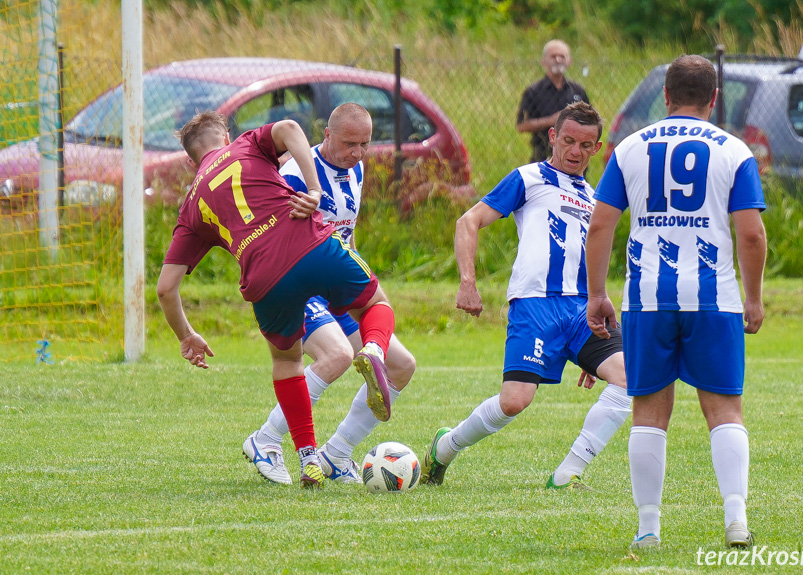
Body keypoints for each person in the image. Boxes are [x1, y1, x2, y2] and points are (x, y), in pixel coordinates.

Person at [157, 111, 397, 489]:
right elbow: (289, 128)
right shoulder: (245, 145)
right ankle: (374, 349)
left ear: (190, 161)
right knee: (374, 304)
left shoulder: (191, 206)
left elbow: (165, 288)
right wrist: (315, 191)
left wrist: (186, 335)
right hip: (310, 246)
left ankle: (309, 458)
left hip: (264, 280)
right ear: (226, 137)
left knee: (288, 361)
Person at [585, 55, 767, 550]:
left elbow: (600, 225)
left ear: (665, 96)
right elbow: (750, 234)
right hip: (714, 299)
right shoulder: (734, 151)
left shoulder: (628, 149)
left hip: (648, 297)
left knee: (648, 410)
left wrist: (597, 294)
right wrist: (753, 297)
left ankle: (648, 528)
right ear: (714, 99)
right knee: (725, 408)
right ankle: (736, 520)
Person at [419, 101, 631, 491]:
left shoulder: (595, 198)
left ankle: (567, 475)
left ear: (596, 149)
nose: (574, 152)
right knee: (514, 401)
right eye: (568, 141)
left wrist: (596, 321)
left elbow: (593, 258)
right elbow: (469, 221)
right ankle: (445, 447)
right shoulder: (528, 178)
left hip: (582, 310)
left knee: (627, 377)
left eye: (585, 146)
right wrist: (468, 281)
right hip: (535, 306)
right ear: (552, 137)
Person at [243, 103, 416, 485]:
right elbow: (275, 238)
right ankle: (265, 439)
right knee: (336, 355)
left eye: (365, 145)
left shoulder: (357, 166)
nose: (357, 153)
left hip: (335, 282)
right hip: (299, 286)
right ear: (326, 135)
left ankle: (336, 455)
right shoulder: (293, 174)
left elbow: (345, 232)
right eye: (349, 143)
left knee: (402, 366)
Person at [516, 39, 590, 163]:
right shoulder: (533, 91)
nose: (558, 60)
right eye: (553, 56)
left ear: (569, 61)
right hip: (542, 155)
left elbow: (590, 121)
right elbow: (521, 125)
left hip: (574, 157)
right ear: (544, 62)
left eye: (562, 56)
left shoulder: (578, 91)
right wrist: (551, 121)